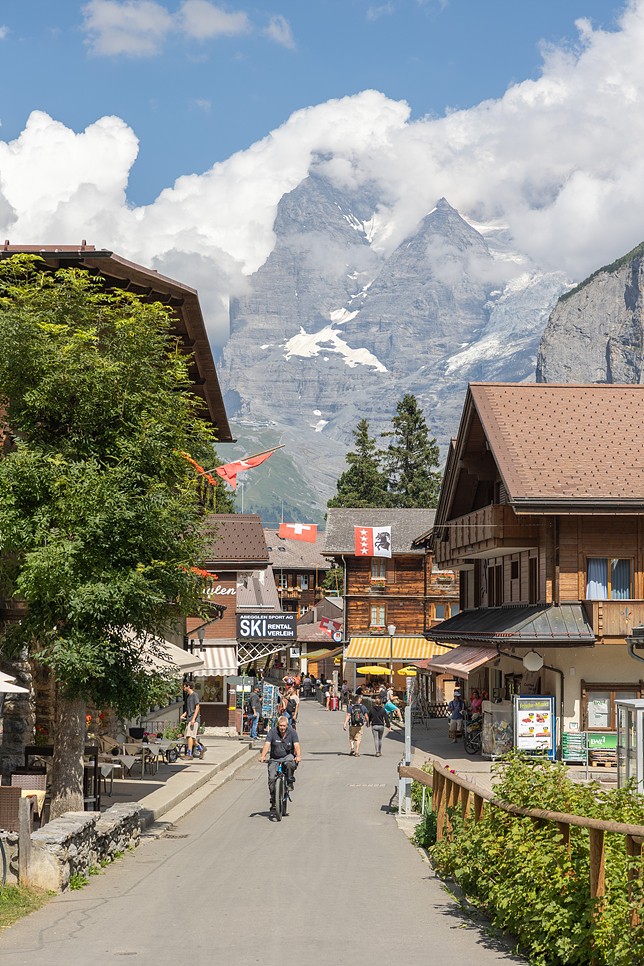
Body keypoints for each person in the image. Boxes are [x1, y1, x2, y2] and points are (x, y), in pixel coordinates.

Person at [259, 714, 301, 816]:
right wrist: (263, 756)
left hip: (287, 756)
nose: (282, 728)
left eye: (284, 726)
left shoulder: (292, 732)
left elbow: (296, 745)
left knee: (291, 763)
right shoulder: (273, 732)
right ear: (278, 725)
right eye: (280, 726)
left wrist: (298, 755)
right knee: (271, 779)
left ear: (287, 725)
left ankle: (289, 780)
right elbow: (267, 744)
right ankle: (274, 800)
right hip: (274, 758)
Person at [181, 680, 200, 757]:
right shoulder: (188, 696)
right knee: (192, 738)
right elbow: (189, 709)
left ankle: (189, 754)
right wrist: (184, 715)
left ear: (188, 686)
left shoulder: (194, 695)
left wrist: (193, 719)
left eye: (184, 686)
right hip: (189, 718)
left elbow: (197, 707)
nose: (183, 688)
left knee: (189, 736)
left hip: (193, 719)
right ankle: (201, 749)